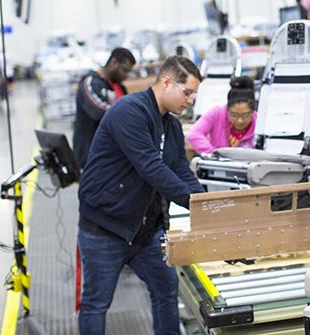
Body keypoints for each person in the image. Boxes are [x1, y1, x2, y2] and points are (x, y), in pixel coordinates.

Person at [77, 56, 205, 335]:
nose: (191, 100)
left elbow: (181, 171)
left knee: (165, 290)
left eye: (194, 94)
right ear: (167, 82)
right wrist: (194, 204)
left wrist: (206, 204)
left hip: (146, 229)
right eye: (187, 92)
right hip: (105, 227)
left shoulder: (170, 125)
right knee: (96, 302)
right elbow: (151, 167)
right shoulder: (129, 111)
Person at [73, 47, 136, 169]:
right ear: (113, 62)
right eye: (124, 70)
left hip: (113, 156)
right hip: (92, 155)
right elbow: (98, 111)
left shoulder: (120, 88)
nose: (126, 76)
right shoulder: (90, 82)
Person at [187, 76, 256, 154]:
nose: (240, 120)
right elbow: (193, 134)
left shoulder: (260, 122)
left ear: (253, 111)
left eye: (246, 115)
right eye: (234, 115)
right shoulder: (217, 113)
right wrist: (214, 154)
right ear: (227, 109)